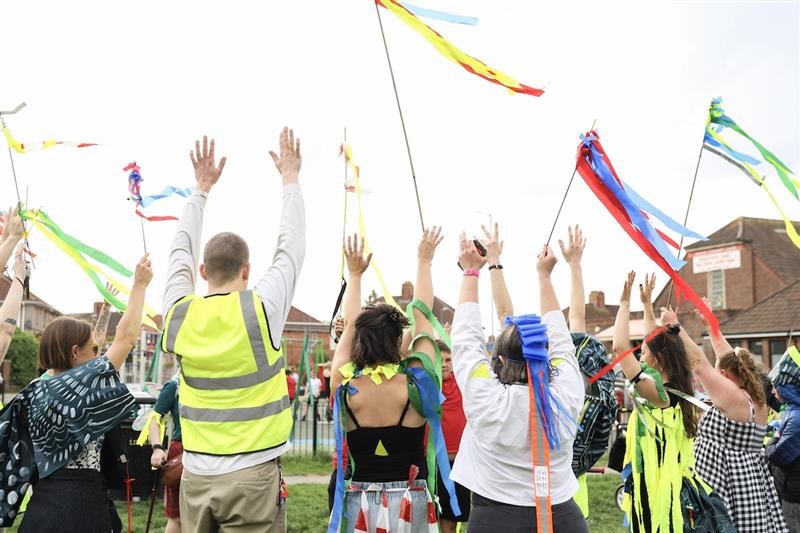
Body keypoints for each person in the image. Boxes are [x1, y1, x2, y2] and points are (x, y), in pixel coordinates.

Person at [161, 129, 303, 533]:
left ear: (203, 272)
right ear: (247, 271)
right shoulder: (262, 309)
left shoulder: (179, 315)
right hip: (253, 475)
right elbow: (291, 248)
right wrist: (290, 179)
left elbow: (178, 253)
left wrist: (200, 190)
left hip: (197, 474)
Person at [450, 235, 587, 532]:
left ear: (498, 361)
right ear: (543, 355)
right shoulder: (566, 392)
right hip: (564, 518)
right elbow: (562, 343)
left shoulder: (487, 397)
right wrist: (545, 277)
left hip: (496, 520)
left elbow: (466, 341)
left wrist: (470, 271)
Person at [13, 254, 152, 531]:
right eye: (93, 351)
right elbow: (125, 337)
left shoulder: (32, 391)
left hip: (41, 509)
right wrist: (139, 285)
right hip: (82, 508)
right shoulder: (85, 386)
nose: (98, 355)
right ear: (75, 353)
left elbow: (96, 344)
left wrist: (104, 313)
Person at [328, 229, 444, 532]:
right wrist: (424, 260)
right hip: (412, 500)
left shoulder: (343, 384)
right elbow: (422, 317)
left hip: (361, 503)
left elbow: (351, 326)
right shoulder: (416, 384)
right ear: (396, 340)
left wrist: (355, 276)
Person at [613, 272, 724, 533]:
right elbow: (657, 340)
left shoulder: (656, 393)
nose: (639, 356)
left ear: (658, 359)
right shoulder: (674, 387)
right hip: (663, 483)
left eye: (642, 353)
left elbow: (619, 347)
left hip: (658, 490)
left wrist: (625, 303)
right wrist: (648, 304)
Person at [682, 304, 789, 532]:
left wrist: (674, 326)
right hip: (748, 481)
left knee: (725, 524)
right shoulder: (755, 395)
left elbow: (699, 363)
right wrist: (712, 328)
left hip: (724, 477)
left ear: (723, 375)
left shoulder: (734, 397)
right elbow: (727, 357)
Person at [556, 225, 617, 518]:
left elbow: (577, 317)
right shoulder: (572, 366)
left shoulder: (572, 362)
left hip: (562, 478)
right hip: (565, 476)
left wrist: (576, 266)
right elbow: (577, 317)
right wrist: (575, 264)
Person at [436, 339, 470, 532]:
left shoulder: (462, 383)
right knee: (429, 516)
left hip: (458, 464)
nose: (443, 364)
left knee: (450, 520)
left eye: (448, 359)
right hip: (432, 464)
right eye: (438, 359)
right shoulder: (425, 384)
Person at [767, 347, 800, 531]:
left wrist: (775, 437)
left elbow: (778, 455)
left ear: (788, 388)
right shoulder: (793, 409)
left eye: (776, 386)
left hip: (795, 497)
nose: (772, 391)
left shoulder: (797, 418)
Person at [149, 373, 183, 533]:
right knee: (178, 517)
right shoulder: (175, 385)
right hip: (182, 454)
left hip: (215, 452)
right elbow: (154, 418)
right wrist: (157, 447)